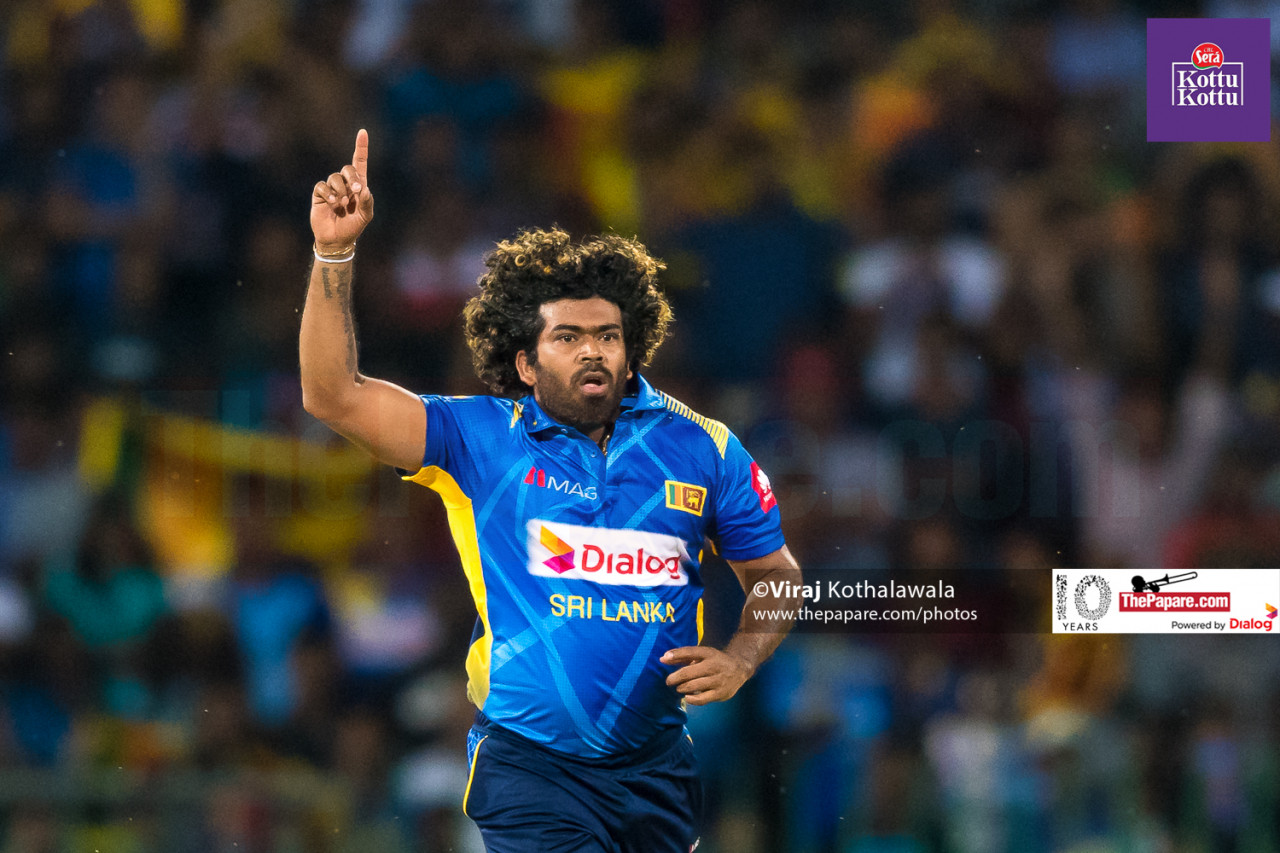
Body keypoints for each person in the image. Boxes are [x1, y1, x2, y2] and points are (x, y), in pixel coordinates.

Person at [300, 130, 801, 852]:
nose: (592, 349)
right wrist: (334, 253)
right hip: (529, 767)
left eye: (608, 335)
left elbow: (776, 576)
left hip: (659, 770)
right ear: (526, 364)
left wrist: (743, 656)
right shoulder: (478, 439)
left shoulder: (704, 447)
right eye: (567, 337)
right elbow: (333, 396)